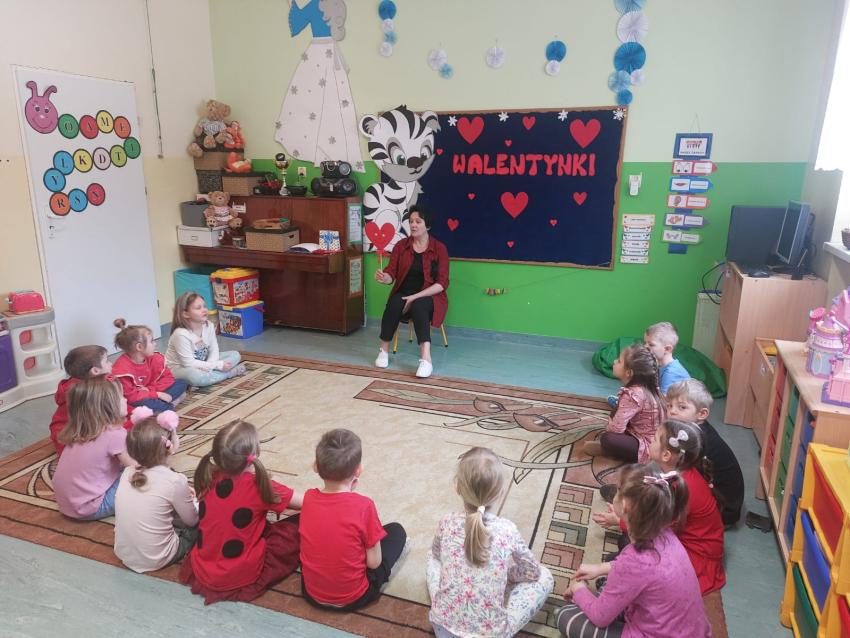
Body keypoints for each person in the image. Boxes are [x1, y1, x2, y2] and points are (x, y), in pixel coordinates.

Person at [555, 463, 711, 638]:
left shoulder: (634, 559)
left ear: (624, 505)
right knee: (609, 576)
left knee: (565, 616)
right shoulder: (665, 533)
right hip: (690, 631)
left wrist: (578, 589)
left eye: (618, 489)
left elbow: (600, 617)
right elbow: (641, 571)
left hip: (655, 633)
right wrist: (600, 568)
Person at [427, 447, 554, 638]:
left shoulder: (446, 522)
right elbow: (532, 571)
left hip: (443, 629)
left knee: (432, 558)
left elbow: (437, 554)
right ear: (500, 492)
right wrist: (507, 575)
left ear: (457, 487)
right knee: (544, 576)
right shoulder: (508, 529)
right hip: (491, 635)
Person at [179, 419, 301, 604]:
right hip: (238, 574)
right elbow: (307, 502)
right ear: (256, 453)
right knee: (298, 524)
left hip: (204, 567)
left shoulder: (208, 475)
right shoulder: (258, 485)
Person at [299, 428, 407, 610]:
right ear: (358, 470)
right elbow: (373, 562)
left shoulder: (308, 498)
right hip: (355, 597)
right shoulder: (364, 506)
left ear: (315, 466)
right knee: (396, 531)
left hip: (311, 594)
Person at [114, 409, 198, 573]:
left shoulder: (127, 472)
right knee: (202, 520)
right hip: (158, 558)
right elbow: (192, 521)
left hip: (124, 553)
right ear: (170, 447)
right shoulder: (175, 481)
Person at [648, 420, 725, 595]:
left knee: (635, 552)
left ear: (666, 455)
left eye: (655, 438)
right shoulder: (681, 473)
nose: (651, 440)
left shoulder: (681, 487)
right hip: (689, 542)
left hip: (695, 557)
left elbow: (654, 526)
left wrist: (621, 520)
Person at [374, 206, 450, 379]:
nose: (413, 225)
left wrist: (414, 297)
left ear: (427, 225)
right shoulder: (401, 246)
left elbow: (442, 283)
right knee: (394, 303)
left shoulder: (440, 248)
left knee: (419, 305)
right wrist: (385, 277)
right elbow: (391, 272)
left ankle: (426, 359)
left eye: (418, 222)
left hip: (430, 296)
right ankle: (383, 350)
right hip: (404, 292)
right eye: (411, 222)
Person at [52, 377, 135, 520]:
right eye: (121, 397)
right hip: (92, 508)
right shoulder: (114, 434)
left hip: (66, 505)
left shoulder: (80, 431)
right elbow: (136, 467)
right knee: (143, 477)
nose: (126, 399)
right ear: (108, 406)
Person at [667, 378, 745, 526]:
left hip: (723, 512)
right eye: (669, 405)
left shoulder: (697, 441)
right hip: (723, 501)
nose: (672, 411)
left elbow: (683, 475)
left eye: (681, 407)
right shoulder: (692, 430)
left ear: (702, 414)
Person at [583, 344, 665, 463]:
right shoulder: (648, 387)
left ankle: (610, 451)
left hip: (649, 446)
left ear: (628, 373)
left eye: (619, 361)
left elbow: (616, 430)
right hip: (650, 437)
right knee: (618, 408)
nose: (614, 361)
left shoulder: (633, 395)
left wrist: (610, 426)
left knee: (608, 439)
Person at [166, 292, 245, 387]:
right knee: (195, 376)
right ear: (185, 314)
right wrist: (217, 365)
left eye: (204, 306)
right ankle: (228, 373)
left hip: (204, 362)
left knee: (235, 355)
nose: (204, 310)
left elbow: (214, 349)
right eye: (198, 308)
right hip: (181, 368)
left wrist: (209, 366)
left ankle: (210, 376)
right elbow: (189, 363)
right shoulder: (180, 334)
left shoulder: (209, 325)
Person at [48, 345, 113, 455]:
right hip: (70, 443)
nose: (110, 363)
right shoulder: (87, 394)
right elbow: (107, 419)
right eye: (106, 361)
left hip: (74, 434)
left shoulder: (87, 384)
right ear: (95, 371)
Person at [112, 319, 187, 412]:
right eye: (152, 341)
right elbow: (131, 397)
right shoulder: (122, 369)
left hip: (151, 392)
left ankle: (163, 406)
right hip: (139, 398)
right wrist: (156, 394)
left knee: (181, 383)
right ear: (139, 347)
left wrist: (150, 390)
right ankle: (168, 405)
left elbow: (168, 379)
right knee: (140, 403)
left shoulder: (155, 358)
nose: (155, 344)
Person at [644, 322, 690, 394]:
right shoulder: (659, 366)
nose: (645, 346)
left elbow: (662, 400)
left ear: (667, 349)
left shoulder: (671, 373)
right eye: (645, 343)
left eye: (651, 344)